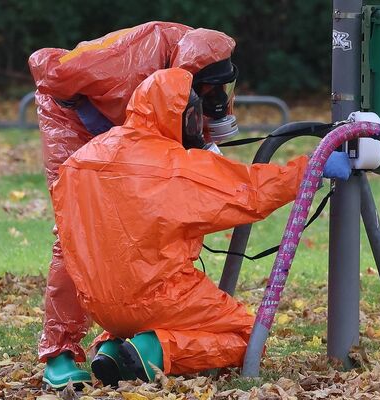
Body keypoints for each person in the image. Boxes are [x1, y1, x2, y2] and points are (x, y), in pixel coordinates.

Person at [51, 67, 352, 385]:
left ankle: (114, 351)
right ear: (180, 116)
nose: (199, 126)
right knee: (248, 336)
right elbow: (250, 192)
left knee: (149, 317)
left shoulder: (79, 162)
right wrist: (310, 169)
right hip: (160, 296)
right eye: (195, 117)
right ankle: (154, 351)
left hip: (98, 305)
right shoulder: (176, 166)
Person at [28, 22, 238, 389]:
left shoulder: (208, 60)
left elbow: (193, 122)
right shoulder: (129, 60)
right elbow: (46, 68)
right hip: (74, 124)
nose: (218, 98)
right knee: (77, 233)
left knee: (146, 225)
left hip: (130, 132)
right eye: (209, 90)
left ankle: (127, 339)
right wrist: (105, 126)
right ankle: (59, 352)